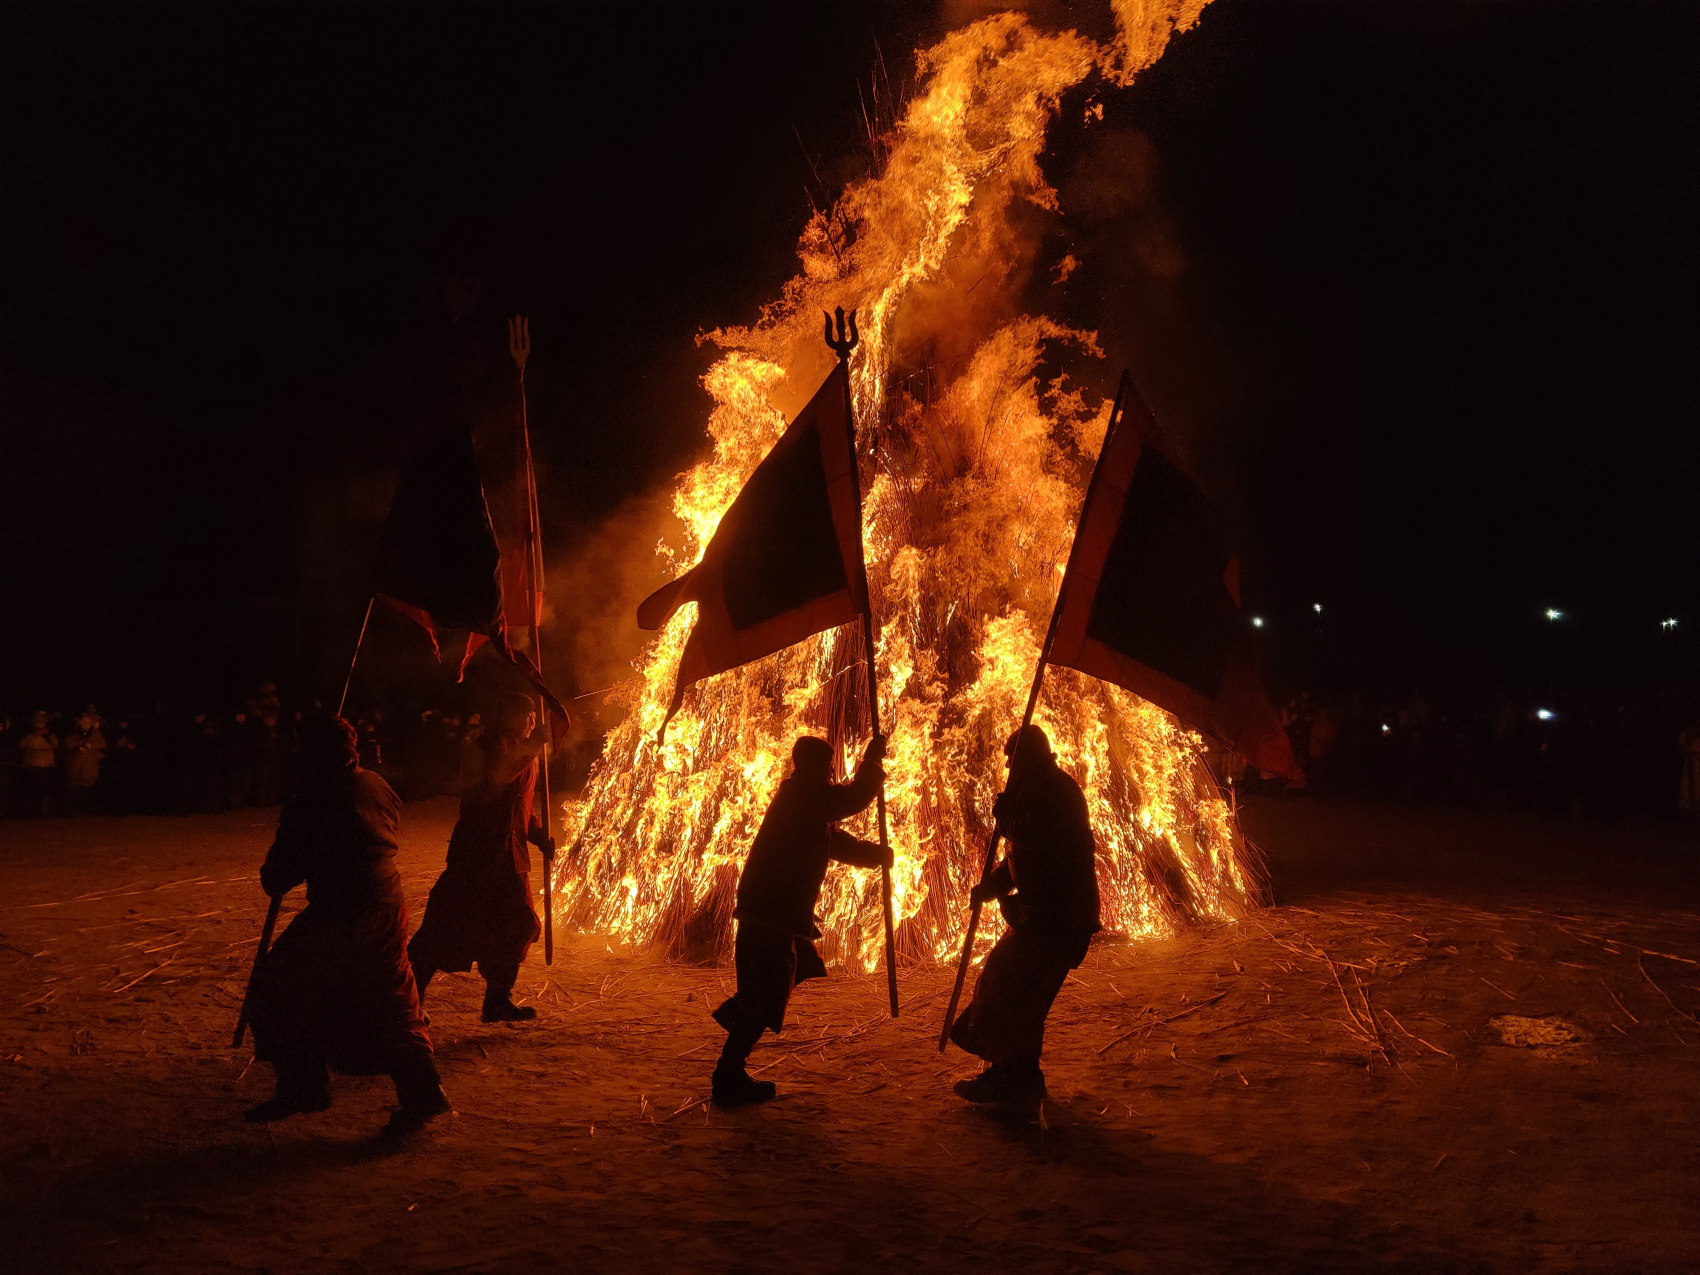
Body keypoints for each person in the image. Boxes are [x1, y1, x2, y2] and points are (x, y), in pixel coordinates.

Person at [243, 715, 449, 1133]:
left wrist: (293, 833)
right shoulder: (375, 783)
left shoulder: (313, 801)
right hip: (388, 900)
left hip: (344, 909)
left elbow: (278, 876)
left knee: (278, 983)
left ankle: (304, 1085)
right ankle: (424, 1090)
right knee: (389, 993)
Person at [709, 733, 889, 1108]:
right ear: (809, 766)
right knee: (763, 995)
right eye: (826, 765)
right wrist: (872, 762)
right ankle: (729, 1074)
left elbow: (834, 842)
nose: (830, 771)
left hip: (779, 913)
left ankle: (741, 1023)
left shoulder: (808, 800)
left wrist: (874, 856)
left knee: (791, 971)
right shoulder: (802, 796)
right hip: (768, 911)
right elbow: (853, 799)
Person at [949, 725, 1101, 1110]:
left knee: (1008, 987)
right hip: (1045, 918)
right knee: (1017, 993)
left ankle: (1010, 1078)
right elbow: (1022, 856)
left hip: (1059, 919)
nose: (1007, 767)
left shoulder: (1055, 792)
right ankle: (1021, 1077)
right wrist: (993, 886)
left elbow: (1039, 836)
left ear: (1027, 759)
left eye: (1011, 760)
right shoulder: (1035, 790)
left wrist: (1006, 818)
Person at [408, 692, 557, 1023]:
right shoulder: (490, 745)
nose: (532, 721)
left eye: (533, 716)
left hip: (508, 856)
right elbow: (497, 778)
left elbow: (521, 804)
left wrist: (537, 835)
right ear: (507, 716)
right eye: (525, 715)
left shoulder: (522, 750)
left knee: (515, 925)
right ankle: (409, 1000)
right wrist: (532, 745)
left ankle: (497, 1001)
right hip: (478, 854)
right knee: (446, 927)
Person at [59, 712, 105, 816]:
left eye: (88, 722)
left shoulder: (96, 734)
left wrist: (92, 745)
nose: (86, 724)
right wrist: (78, 745)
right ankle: (71, 811)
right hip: (75, 766)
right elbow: (67, 743)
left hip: (89, 767)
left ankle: (85, 810)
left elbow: (102, 743)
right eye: (83, 722)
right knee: (74, 789)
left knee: (87, 790)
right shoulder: (73, 733)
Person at [19, 711, 59, 817]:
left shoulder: (50, 734)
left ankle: (44, 811)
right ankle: (30, 812)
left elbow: (56, 744)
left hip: (47, 766)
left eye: (42, 719)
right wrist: (33, 735)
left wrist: (47, 735)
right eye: (38, 719)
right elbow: (22, 745)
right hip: (32, 766)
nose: (40, 721)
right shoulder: (28, 734)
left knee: (45, 790)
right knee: (31, 790)